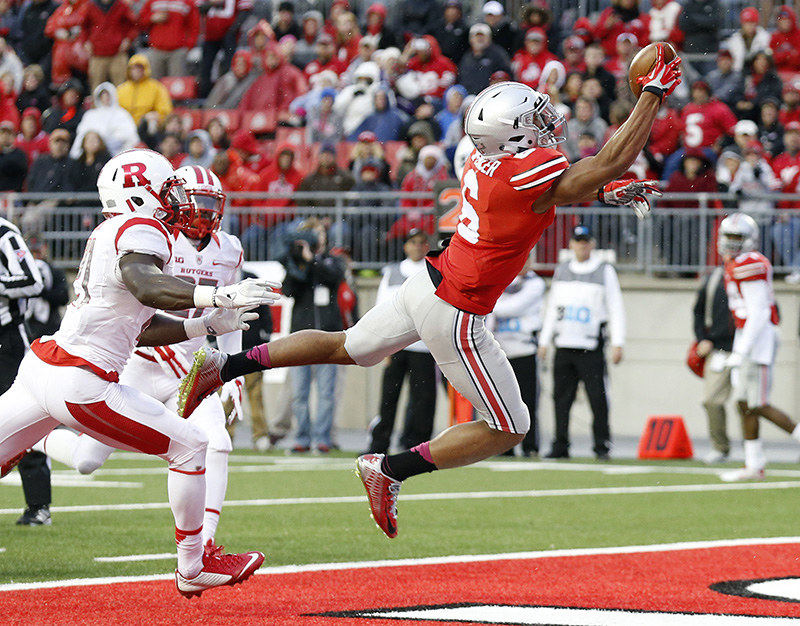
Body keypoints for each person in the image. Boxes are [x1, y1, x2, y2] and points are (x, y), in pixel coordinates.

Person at [177, 50, 681, 539]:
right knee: (509, 427)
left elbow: (557, 190)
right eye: (536, 121)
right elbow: (608, 160)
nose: (548, 127)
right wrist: (652, 95)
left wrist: (599, 191)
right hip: (456, 310)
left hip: (424, 284)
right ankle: (390, 469)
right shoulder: (522, 171)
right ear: (514, 136)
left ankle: (224, 367)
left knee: (344, 346)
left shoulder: (484, 162)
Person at [0, 149, 277, 595]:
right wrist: (216, 295)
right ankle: (193, 566)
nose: (177, 198)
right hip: (82, 380)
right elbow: (145, 284)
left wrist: (203, 324)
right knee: (192, 446)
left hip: (42, 368)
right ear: (138, 194)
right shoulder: (142, 228)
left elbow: (140, 326)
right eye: (167, 188)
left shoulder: (112, 229)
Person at [33, 165, 245, 552]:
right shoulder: (153, 237)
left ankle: (206, 544)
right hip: (142, 360)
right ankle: (39, 439)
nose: (203, 212)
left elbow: (233, 316)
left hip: (192, 365)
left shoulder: (229, 249)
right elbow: (144, 305)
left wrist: (235, 371)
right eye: (197, 201)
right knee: (86, 460)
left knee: (217, 444)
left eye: (211, 204)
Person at [717, 214, 800, 481]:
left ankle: (757, 463)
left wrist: (741, 352)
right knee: (744, 403)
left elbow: (760, 312)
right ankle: (754, 464)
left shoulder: (750, 263)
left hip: (760, 338)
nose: (731, 243)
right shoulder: (736, 263)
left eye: (737, 238)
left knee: (758, 403)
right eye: (728, 237)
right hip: (748, 335)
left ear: (749, 239)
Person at [538, 226, 625, 460]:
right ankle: (560, 444)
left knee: (597, 398)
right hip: (564, 344)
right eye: (577, 241)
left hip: (590, 345)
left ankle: (601, 445)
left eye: (585, 242)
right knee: (561, 398)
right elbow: (553, 307)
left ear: (592, 244)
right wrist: (545, 340)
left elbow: (615, 307)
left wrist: (618, 341)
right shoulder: (562, 269)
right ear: (572, 244)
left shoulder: (604, 270)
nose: (581, 246)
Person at [367, 229, 437, 455]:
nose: (417, 246)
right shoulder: (393, 272)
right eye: (413, 242)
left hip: (423, 344)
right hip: (396, 343)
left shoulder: (432, 271)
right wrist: (382, 343)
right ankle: (380, 443)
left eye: (421, 242)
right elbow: (381, 307)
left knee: (423, 399)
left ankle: (416, 445)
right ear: (405, 246)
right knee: (388, 397)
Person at [280, 224, 346, 453]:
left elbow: (334, 278)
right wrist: (296, 263)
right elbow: (288, 290)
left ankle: (322, 438)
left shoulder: (332, 260)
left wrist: (312, 260)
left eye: (319, 235)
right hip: (300, 336)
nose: (316, 239)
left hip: (328, 336)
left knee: (327, 393)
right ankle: (303, 437)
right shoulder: (297, 262)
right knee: (299, 392)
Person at [0, 220, 45, 525]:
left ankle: (38, 505)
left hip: (7, 339)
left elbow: (32, 280)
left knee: (23, 417)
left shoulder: (4, 233)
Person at [487, 260, 545, 458]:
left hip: (524, 349)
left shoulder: (535, 283)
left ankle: (530, 446)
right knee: (502, 403)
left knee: (528, 401)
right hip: (500, 350)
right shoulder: (499, 281)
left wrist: (495, 305)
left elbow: (510, 307)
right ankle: (505, 446)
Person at [692, 262, 735, 464]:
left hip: (748, 349)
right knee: (711, 400)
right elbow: (698, 311)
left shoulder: (754, 276)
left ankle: (755, 448)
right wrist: (702, 338)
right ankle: (720, 447)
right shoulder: (715, 278)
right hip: (720, 349)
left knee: (753, 404)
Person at [69, 82, 139, 159]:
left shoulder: (121, 113)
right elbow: (82, 135)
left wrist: (111, 140)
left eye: (107, 95)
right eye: (102, 96)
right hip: (92, 154)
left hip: (116, 153)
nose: (105, 98)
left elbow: (131, 136)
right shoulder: (90, 114)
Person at [139, 0, 199, 78]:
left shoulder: (188, 2)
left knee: (175, 85)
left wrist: (188, 47)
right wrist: (152, 18)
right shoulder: (152, 1)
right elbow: (140, 22)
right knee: (154, 84)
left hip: (178, 51)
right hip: (156, 50)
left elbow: (194, 26)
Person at [116, 55, 174, 125]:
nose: (137, 71)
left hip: (145, 127)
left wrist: (155, 116)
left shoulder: (156, 87)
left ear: (146, 69)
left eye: (140, 68)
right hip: (124, 126)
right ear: (129, 70)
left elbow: (165, 111)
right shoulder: (121, 89)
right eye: (133, 68)